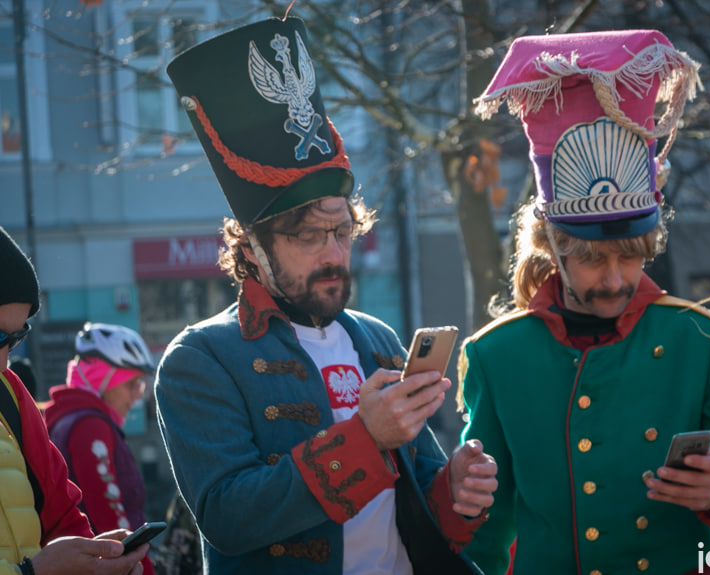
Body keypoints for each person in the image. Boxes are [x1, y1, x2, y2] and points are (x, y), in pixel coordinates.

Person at [154, 13, 498, 575]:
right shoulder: (199, 358)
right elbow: (228, 518)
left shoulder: (377, 338)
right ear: (251, 249)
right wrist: (365, 438)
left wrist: (455, 487)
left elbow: (414, 507)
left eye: (342, 231)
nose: (333, 254)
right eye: (307, 236)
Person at [456, 30, 710, 574]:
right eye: (594, 259)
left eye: (631, 256)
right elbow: (485, 530)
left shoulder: (699, 339)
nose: (616, 279)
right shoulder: (498, 355)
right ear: (553, 248)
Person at [0, 226, 148, 575]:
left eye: (16, 337)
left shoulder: (10, 392)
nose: (4, 361)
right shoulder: (90, 427)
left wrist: (98, 562)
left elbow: (63, 515)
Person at [43, 322, 157, 575]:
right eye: (133, 384)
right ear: (102, 381)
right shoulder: (90, 426)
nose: (138, 396)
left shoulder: (67, 419)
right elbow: (109, 516)